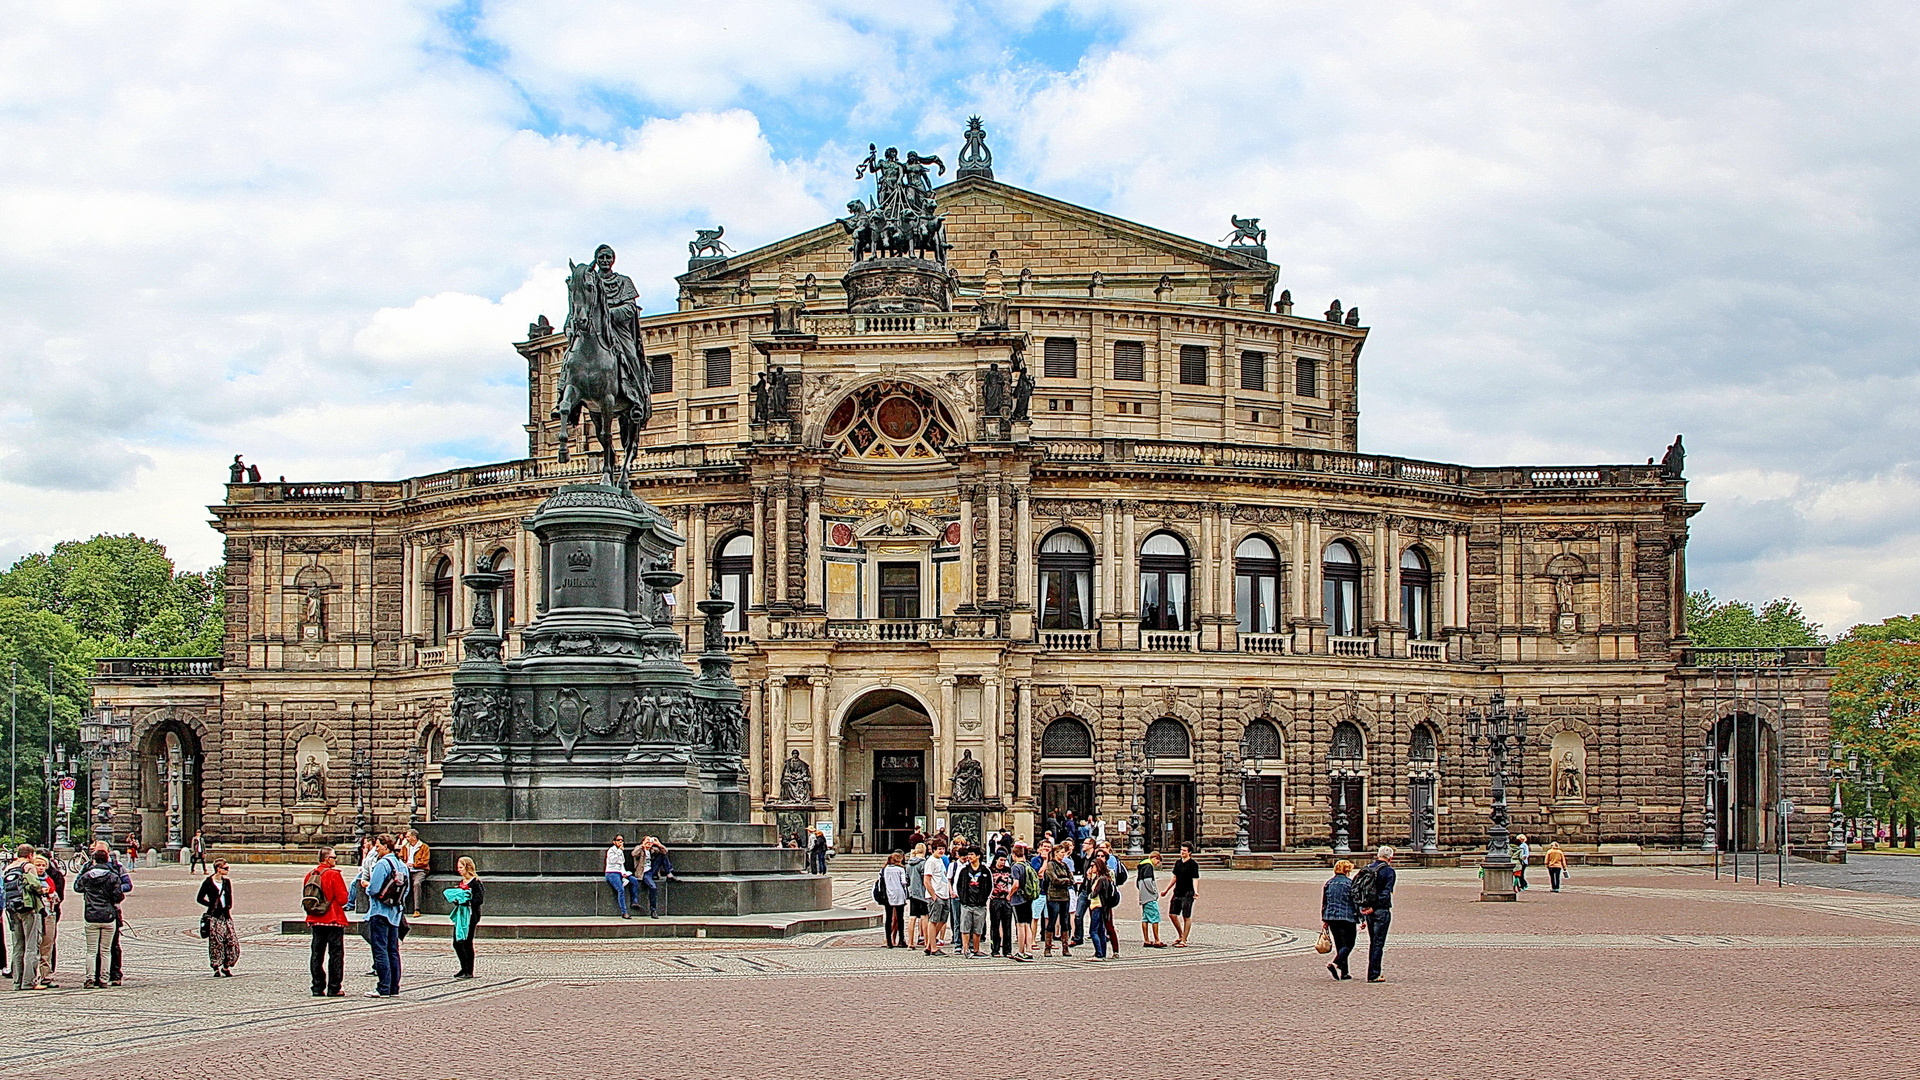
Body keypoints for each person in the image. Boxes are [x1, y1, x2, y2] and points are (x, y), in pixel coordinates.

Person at [364, 833, 407, 997]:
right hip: (395, 912)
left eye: (378, 846)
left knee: (380, 950)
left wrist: (366, 887)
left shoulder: (383, 864)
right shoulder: (401, 864)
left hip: (380, 911)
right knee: (393, 950)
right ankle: (394, 987)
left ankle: (383, 987)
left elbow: (374, 889)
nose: (376, 849)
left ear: (385, 846)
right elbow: (406, 889)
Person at [303, 846, 350, 997]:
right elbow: (343, 899)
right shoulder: (333, 875)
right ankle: (334, 987)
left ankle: (317, 986)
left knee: (317, 954)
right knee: (335, 954)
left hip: (315, 919)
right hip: (333, 918)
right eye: (334, 857)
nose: (336, 860)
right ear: (327, 859)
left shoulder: (310, 874)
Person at [75, 848, 124, 989]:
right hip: (108, 915)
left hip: (91, 915)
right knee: (105, 950)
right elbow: (118, 896)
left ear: (94, 860)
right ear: (107, 859)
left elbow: (77, 888)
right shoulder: (113, 876)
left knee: (91, 950)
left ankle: (90, 978)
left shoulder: (87, 876)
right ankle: (104, 978)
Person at [4, 845, 47, 990]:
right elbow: (35, 884)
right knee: (31, 945)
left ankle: (17, 981)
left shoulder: (8, 867)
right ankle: (29, 981)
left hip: (12, 908)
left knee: (18, 946)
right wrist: (43, 890)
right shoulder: (27, 866)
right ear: (30, 855)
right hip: (28, 908)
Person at [1359, 846, 1397, 984]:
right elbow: (1386, 893)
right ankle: (1374, 973)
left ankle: (1373, 971)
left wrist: (1365, 908)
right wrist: (1374, 906)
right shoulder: (1388, 871)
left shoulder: (1368, 868)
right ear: (1390, 858)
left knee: (1373, 941)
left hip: (1368, 910)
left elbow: (1359, 890)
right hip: (1380, 910)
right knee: (1378, 943)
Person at [196, 858, 238, 977]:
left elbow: (229, 896)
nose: (227, 870)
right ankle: (216, 967)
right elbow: (199, 898)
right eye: (225, 868)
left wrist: (228, 906)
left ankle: (226, 965)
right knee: (217, 943)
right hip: (214, 916)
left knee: (231, 941)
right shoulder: (208, 882)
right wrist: (212, 905)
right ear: (218, 869)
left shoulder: (226, 882)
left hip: (226, 915)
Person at [446, 856, 484, 978]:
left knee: (467, 942)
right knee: (457, 942)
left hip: (471, 915)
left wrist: (467, 900)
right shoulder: (462, 882)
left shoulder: (475, 883)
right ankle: (463, 967)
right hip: (461, 914)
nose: (459, 870)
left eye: (461, 867)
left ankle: (469, 970)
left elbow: (479, 899)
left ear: (467, 868)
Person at [1321, 859, 1359, 980]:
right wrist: (1361, 918)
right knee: (1349, 944)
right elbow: (1355, 902)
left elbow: (1325, 902)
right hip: (1347, 917)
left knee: (1340, 944)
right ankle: (1335, 963)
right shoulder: (1350, 883)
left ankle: (1345, 972)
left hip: (1332, 917)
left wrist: (1325, 919)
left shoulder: (1329, 883)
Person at [31, 852, 62, 989]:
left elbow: (57, 897)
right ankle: (31, 976)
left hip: (49, 913)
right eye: (38, 865)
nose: (41, 868)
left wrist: (51, 895)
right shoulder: (30, 879)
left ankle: (46, 976)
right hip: (34, 914)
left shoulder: (50, 879)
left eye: (43, 865)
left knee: (47, 946)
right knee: (32, 946)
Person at [955, 847, 991, 958]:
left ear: (978, 856)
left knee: (978, 928)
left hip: (979, 904)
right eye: (968, 854)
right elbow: (959, 885)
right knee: (965, 927)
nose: (969, 857)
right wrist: (962, 898)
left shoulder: (985, 870)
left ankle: (976, 949)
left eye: (972, 854)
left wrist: (984, 898)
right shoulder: (964, 870)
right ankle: (965, 949)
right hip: (967, 903)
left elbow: (989, 886)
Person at [1042, 843, 1075, 957]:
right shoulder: (1051, 865)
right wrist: (1065, 881)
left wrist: (1065, 880)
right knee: (1052, 921)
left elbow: (1072, 879)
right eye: (1061, 853)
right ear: (1056, 853)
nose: (1063, 855)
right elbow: (1054, 880)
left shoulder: (1065, 865)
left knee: (1065, 922)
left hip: (1065, 896)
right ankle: (1048, 947)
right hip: (1054, 896)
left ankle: (1065, 947)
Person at [1164, 843, 1200, 947]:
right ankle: (1180, 935)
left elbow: (1195, 879)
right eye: (1181, 850)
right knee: (1172, 914)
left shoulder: (1193, 864)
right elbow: (1174, 877)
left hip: (1188, 892)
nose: (1182, 852)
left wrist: (1196, 891)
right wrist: (1166, 890)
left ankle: (1184, 940)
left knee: (1186, 916)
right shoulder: (1178, 863)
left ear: (1189, 852)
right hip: (1178, 891)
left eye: (1184, 850)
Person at [1084, 857, 1118, 960]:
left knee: (1093, 931)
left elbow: (1094, 893)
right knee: (1100, 931)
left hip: (1098, 906)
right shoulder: (1099, 878)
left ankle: (1099, 953)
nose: (1091, 868)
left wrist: (1089, 896)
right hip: (1100, 907)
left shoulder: (1102, 879)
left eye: (1093, 866)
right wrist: (1089, 879)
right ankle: (1102, 953)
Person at [922, 840, 951, 955]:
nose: (941, 851)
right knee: (933, 920)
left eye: (943, 849)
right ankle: (933, 948)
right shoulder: (931, 862)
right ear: (933, 849)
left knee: (943, 920)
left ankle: (930, 944)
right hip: (936, 895)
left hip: (944, 894)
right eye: (939, 849)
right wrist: (933, 895)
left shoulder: (941, 860)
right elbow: (927, 880)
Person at [1008, 840, 1035, 961]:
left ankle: (1021, 951)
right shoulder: (1028, 864)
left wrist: (1009, 895)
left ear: (1014, 855)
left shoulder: (1016, 867)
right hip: (1028, 898)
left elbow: (1016, 884)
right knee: (1027, 924)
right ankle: (1029, 950)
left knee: (1020, 925)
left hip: (1018, 899)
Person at [987, 851, 1016, 958]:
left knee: (1007, 925)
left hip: (1006, 899)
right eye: (1001, 860)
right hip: (995, 899)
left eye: (1004, 860)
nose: (1003, 862)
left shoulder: (1009, 871)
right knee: (995, 925)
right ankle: (995, 949)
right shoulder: (991, 870)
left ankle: (1007, 950)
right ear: (996, 860)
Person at [637, 837, 674, 918]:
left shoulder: (652, 850)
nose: (649, 843)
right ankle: (653, 910)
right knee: (653, 887)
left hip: (652, 870)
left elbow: (665, 851)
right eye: (647, 841)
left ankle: (669, 873)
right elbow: (634, 853)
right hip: (644, 873)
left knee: (662, 856)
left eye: (650, 841)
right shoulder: (640, 849)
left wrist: (658, 844)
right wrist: (642, 845)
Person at [880, 850, 910, 948]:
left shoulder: (885, 869)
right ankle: (901, 939)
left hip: (888, 895)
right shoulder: (900, 869)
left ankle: (889, 941)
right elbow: (904, 882)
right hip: (899, 894)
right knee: (900, 918)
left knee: (888, 918)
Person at [1137, 854, 1166, 948]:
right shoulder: (1149, 866)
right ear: (1155, 858)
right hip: (1150, 897)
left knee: (1145, 918)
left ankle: (1146, 940)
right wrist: (1154, 891)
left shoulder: (1141, 866)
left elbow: (1138, 883)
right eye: (1157, 862)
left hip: (1143, 897)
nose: (1157, 864)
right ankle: (1157, 940)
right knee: (1155, 918)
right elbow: (1148, 881)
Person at [904, 842, 929, 951]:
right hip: (922, 892)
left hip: (912, 892)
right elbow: (925, 879)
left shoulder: (909, 864)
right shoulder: (923, 863)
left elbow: (907, 879)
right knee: (924, 916)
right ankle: (926, 941)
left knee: (912, 916)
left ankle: (910, 942)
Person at [604, 835, 633, 919]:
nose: (621, 842)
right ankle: (624, 912)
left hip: (619, 872)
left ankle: (635, 901)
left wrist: (624, 873)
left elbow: (622, 862)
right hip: (611, 872)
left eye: (622, 840)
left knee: (634, 881)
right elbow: (612, 860)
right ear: (614, 842)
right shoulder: (611, 850)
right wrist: (619, 851)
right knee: (620, 890)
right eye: (618, 840)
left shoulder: (620, 851)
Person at [404, 829, 431, 915]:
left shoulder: (424, 847)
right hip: (406, 870)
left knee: (417, 884)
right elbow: (400, 857)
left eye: (408, 836)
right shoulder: (405, 847)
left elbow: (425, 861)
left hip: (419, 870)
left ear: (414, 837)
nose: (406, 838)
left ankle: (417, 909)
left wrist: (414, 864)